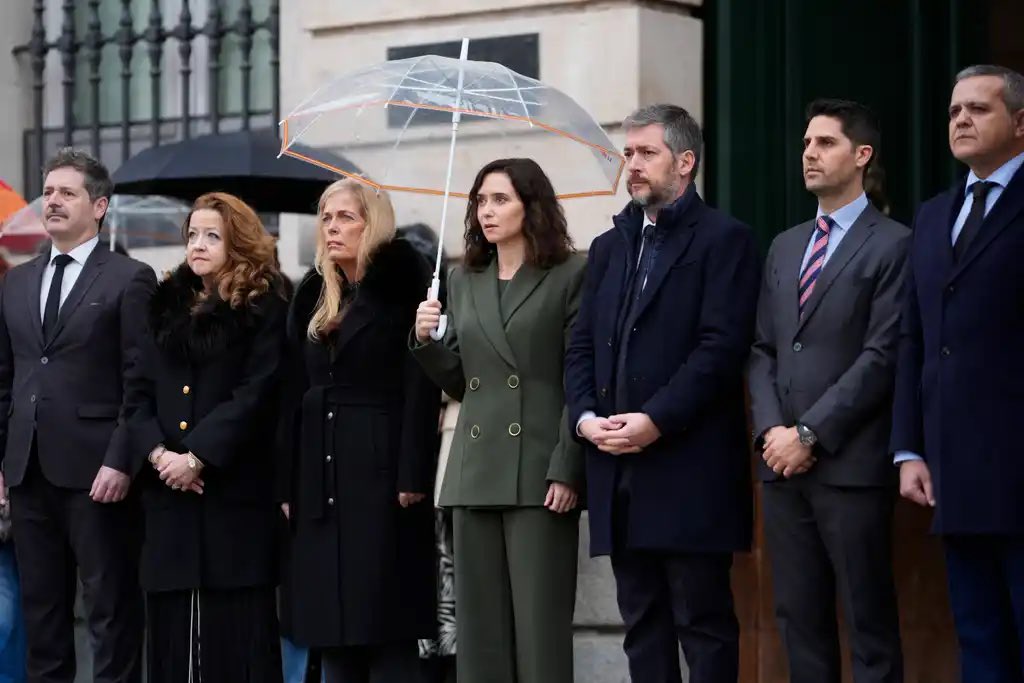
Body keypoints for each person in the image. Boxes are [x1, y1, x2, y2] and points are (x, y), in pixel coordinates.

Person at [564, 104, 760, 683]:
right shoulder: (608, 247)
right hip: (616, 471)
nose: (633, 164)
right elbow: (580, 348)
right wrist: (585, 419)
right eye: (628, 153)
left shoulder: (726, 240)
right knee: (642, 626)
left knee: (703, 625)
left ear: (686, 161)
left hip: (689, 469)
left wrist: (654, 420)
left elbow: (720, 350)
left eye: (646, 153)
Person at [748, 99, 908, 683]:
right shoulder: (785, 245)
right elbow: (763, 348)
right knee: (798, 618)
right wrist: (772, 434)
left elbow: (882, 354)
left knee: (868, 622)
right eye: (807, 144)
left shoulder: (894, 244)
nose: (809, 154)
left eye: (826, 143)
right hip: (782, 468)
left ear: (862, 155)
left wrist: (810, 434)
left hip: (849, 463)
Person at [412, 157, 585, 683]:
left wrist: (568, 466)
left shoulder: (572, 272)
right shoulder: (465, 278)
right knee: (481, 636)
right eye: (481, 201)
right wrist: (425, 342)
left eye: (500, 200)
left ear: (532, 207)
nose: (487, 211)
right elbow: (464, 381)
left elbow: (580, 377)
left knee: (540, 633)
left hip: (539, 473)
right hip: (473, 470)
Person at [0, 148, 155, 682]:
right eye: (48, 192)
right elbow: (6, 381)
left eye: (67, 193)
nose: (53, 202)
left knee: (110, 613)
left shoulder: (130, 278)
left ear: (100, 206)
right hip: (27, 472)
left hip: (99, 475)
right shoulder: (17, 283)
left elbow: (140, 382)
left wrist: (121, 460)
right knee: (42, 616)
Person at [892, 64, 1024, 683]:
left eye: (978, 108)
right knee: (979, 637)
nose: (962, 120)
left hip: (1019, 463)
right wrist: (909, 447)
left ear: (1020, 123)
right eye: (953, 111)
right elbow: (913, 337)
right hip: (954, 471)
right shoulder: (934, 213)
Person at [279, 179, 439, 683]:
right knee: (330, 624)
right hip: (318, 472)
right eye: (326, 218)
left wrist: (412, 472)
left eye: (345, 217)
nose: (332, 228)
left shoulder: (407, 286)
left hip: (381, 466)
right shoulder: (312, 293)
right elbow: (290, 391)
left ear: (373, 223)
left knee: (383, 615)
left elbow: (420, 385)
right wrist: (287, 483)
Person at [124, 192, 288, 682]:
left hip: (232, 493)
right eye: (192, 234)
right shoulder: (165, 307)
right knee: (172, 638)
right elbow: (136, 393)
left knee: (237, 637)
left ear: (237, 241)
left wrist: (197, 456)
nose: (197, 244)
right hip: (168, 498)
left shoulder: (264, 306)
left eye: (212, 235)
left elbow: (256, 392)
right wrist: (159, 455)